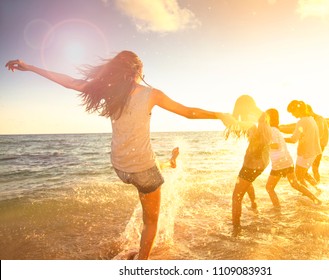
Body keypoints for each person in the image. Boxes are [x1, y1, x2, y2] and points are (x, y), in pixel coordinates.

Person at [5, 51, 231, 260]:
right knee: (150, 221)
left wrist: (31, 67)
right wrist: (218, 115)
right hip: (142, 170)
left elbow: (69, 82)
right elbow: (188, 113)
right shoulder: (152, 94)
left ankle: (169, 163)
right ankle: (142, 263)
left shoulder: (108, 91)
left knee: (149, 171)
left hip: (120, 168)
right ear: (138, 71)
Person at [224, 95, 271, 235]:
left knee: (236, 196)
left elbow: (237, 127)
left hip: (252, 163)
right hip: (262, 162)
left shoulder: (252, 118)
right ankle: (254, 204)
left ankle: (236, 228)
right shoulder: (263, 115)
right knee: (247, 182)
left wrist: (225, 119)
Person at [265, 108, 321, 207]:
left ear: (269, 118)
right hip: (287, 161)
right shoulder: (276, 130)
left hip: (279, 163)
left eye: (265, 116)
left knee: (269, 188)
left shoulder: (271, 130)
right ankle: (315, 199)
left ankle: (277, 209)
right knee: (295, 184)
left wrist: (262, 145)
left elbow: (276, 145)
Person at [285, 100, 322, 192]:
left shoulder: (302, 122)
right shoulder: (311, 119)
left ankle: (308, 195)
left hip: (306, 153)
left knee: (298, 177)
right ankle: (319, 189)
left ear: (298, 110)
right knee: (304, 174)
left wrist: (279, 139)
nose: (292, 114)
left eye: (292, 112)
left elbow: (293, 140)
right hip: (314, 152)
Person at [306, 104, 329, 183]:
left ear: (309, 111)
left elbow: (320, 133)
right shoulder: (314, 119)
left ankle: (316, 186)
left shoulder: (319, 119)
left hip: (319, 146)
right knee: (313, 168)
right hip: (316, 146)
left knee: (312, 168)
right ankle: (316, 186)